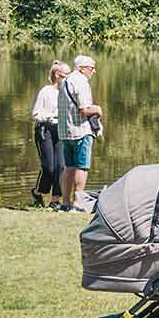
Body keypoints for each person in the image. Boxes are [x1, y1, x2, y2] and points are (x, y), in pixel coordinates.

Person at [57, 54, 102, 212]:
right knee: (82, 167)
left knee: (69, 167)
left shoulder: (64, 81)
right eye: (91, 68)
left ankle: (65, 203)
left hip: (64, 132)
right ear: (81, 68)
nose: (93, 71)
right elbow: (84, 109)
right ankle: (78, 202)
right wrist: (97, 109)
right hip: (81, 131)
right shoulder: (81, 82)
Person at [30, 60, 70, 209]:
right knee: (49, 167)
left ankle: (55, 200)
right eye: (66, 75)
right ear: (57, 75)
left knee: (61, 166)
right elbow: (35, 113)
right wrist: (48, 118)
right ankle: (38, 192)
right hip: (45, 130)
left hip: (60, 131)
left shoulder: (67, 92)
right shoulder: (46, 91)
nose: (68, 78)